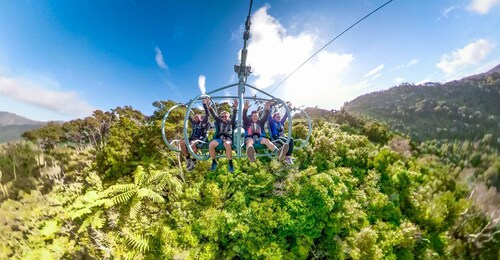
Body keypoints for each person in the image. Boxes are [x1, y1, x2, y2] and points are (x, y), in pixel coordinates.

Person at [206, 98, 237, 172]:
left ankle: (230, 163)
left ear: (228, 117)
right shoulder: (219, 121)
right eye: (222, 116)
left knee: (227, 144)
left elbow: (234, 116)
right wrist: (209, 106)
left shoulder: (231, 121)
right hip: (219, 138)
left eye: (225, 116)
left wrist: (235, 108)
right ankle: (214, 162)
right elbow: (214, 114)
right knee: (211, 144)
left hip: (228, 138)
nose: (224, 118)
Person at [180, 98, 210, 171]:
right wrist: (185, 107)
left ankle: (193, 161)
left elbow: (208, 114)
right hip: (192, 138)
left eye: (197, 117)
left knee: (192, 143)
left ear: (200, 117)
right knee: (182, 142)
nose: (196, 118)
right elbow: (188, 115)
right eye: (195, 117)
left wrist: (204, 105)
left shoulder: (203, 122)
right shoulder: (193, 122)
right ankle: (187, 158)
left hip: (200, 139)